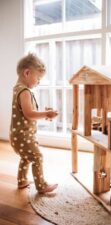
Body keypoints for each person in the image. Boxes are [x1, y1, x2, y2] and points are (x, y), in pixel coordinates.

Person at [9, 53, 58, 194]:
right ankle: (41, 185)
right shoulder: (24, 92)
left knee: (26, 157)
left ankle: (22, 181)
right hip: (24, 136)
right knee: (37, 157)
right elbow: (29, 114)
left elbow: (26, 112)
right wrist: (46, 114)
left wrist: (43, 113)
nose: (39, 82)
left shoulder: (17, 88)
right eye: (38, 78)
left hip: (18, 135)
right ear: (27, 73)